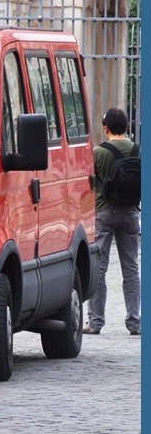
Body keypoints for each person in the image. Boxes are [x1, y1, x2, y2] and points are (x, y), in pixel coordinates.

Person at [85, 107, 141, 336]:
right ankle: (135, 323)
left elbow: (91, 183)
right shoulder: (138, 150)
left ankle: (96, 322)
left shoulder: (98, 152)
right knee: (131, 269)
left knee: (99, 269)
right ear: (126, 127)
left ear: (106, 128)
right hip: (130, 214)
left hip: (104, 213)